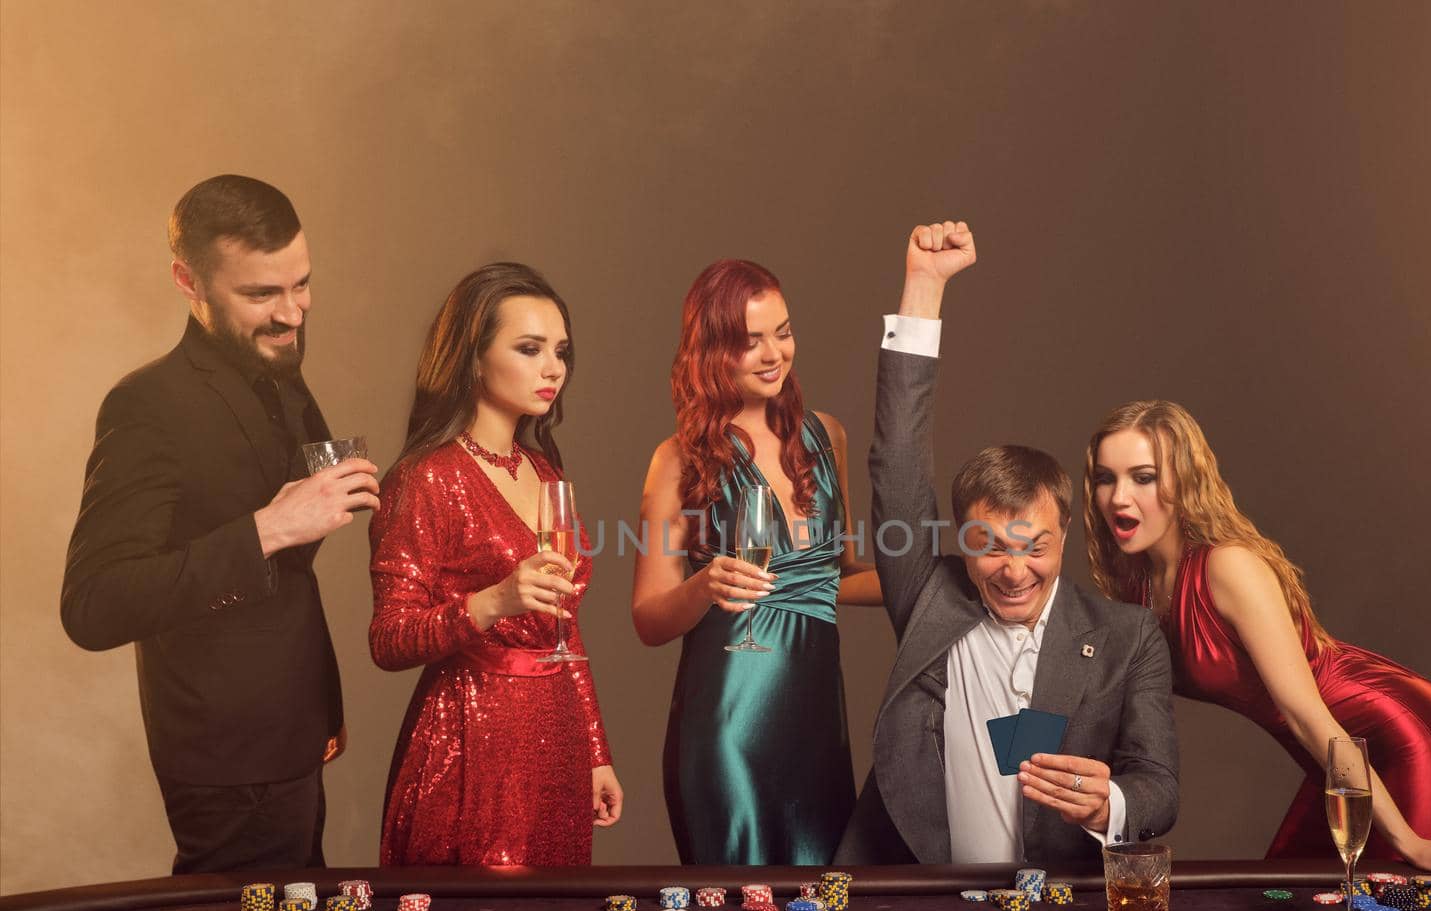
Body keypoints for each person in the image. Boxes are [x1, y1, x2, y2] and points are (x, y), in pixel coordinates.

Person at [834, 221, 1179, 866]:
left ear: (1067, 534)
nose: (1015, 570)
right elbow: (899, 461)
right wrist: (924, 285)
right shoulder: (928, 595)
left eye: (1036, 547)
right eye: (990, 546)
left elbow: (1158, 787)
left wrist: (1113, 806)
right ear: (961, 541)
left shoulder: (1127, 637)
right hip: (924, 909)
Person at [61, 175, 378, 874]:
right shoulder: (146, 405)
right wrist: (265, 528)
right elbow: (92, 604)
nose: (293, 313)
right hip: (227, 761)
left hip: (295, 733)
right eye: (262, 294)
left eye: (301, 284)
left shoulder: (275, 360)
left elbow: (286, 495)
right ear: (188, 281)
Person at [1085, 400, 1431, 875]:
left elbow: (1304, 713)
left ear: (1184, 480)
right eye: (1105, 478)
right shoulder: (1135, 581)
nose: (1119, 497)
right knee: (1298, 907)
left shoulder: (1229, 566)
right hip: (1333, 754)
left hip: (1395, 734)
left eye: (1143, 477)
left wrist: (1410, 840)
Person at [369, 262, 622, 866]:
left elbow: (566, 628)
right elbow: (388, 640)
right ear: (472, 358)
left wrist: (594, 750)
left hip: (556, 740)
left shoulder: (546, 474)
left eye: (560, 351)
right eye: (530, 349)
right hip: (469, 741)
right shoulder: (425, 477)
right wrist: (491, 603)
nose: (553, 368)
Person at [632, 258, 880, 864]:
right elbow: (648, 620)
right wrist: (704, 585)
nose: (774, 354)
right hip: (729, 721)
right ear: (712, 351)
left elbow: (834, 578)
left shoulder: (826, 437)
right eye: (750, 342)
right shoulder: (678, 460)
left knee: (818, 908)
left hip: (818, 720)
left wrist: (951, 576)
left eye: (784, 332)